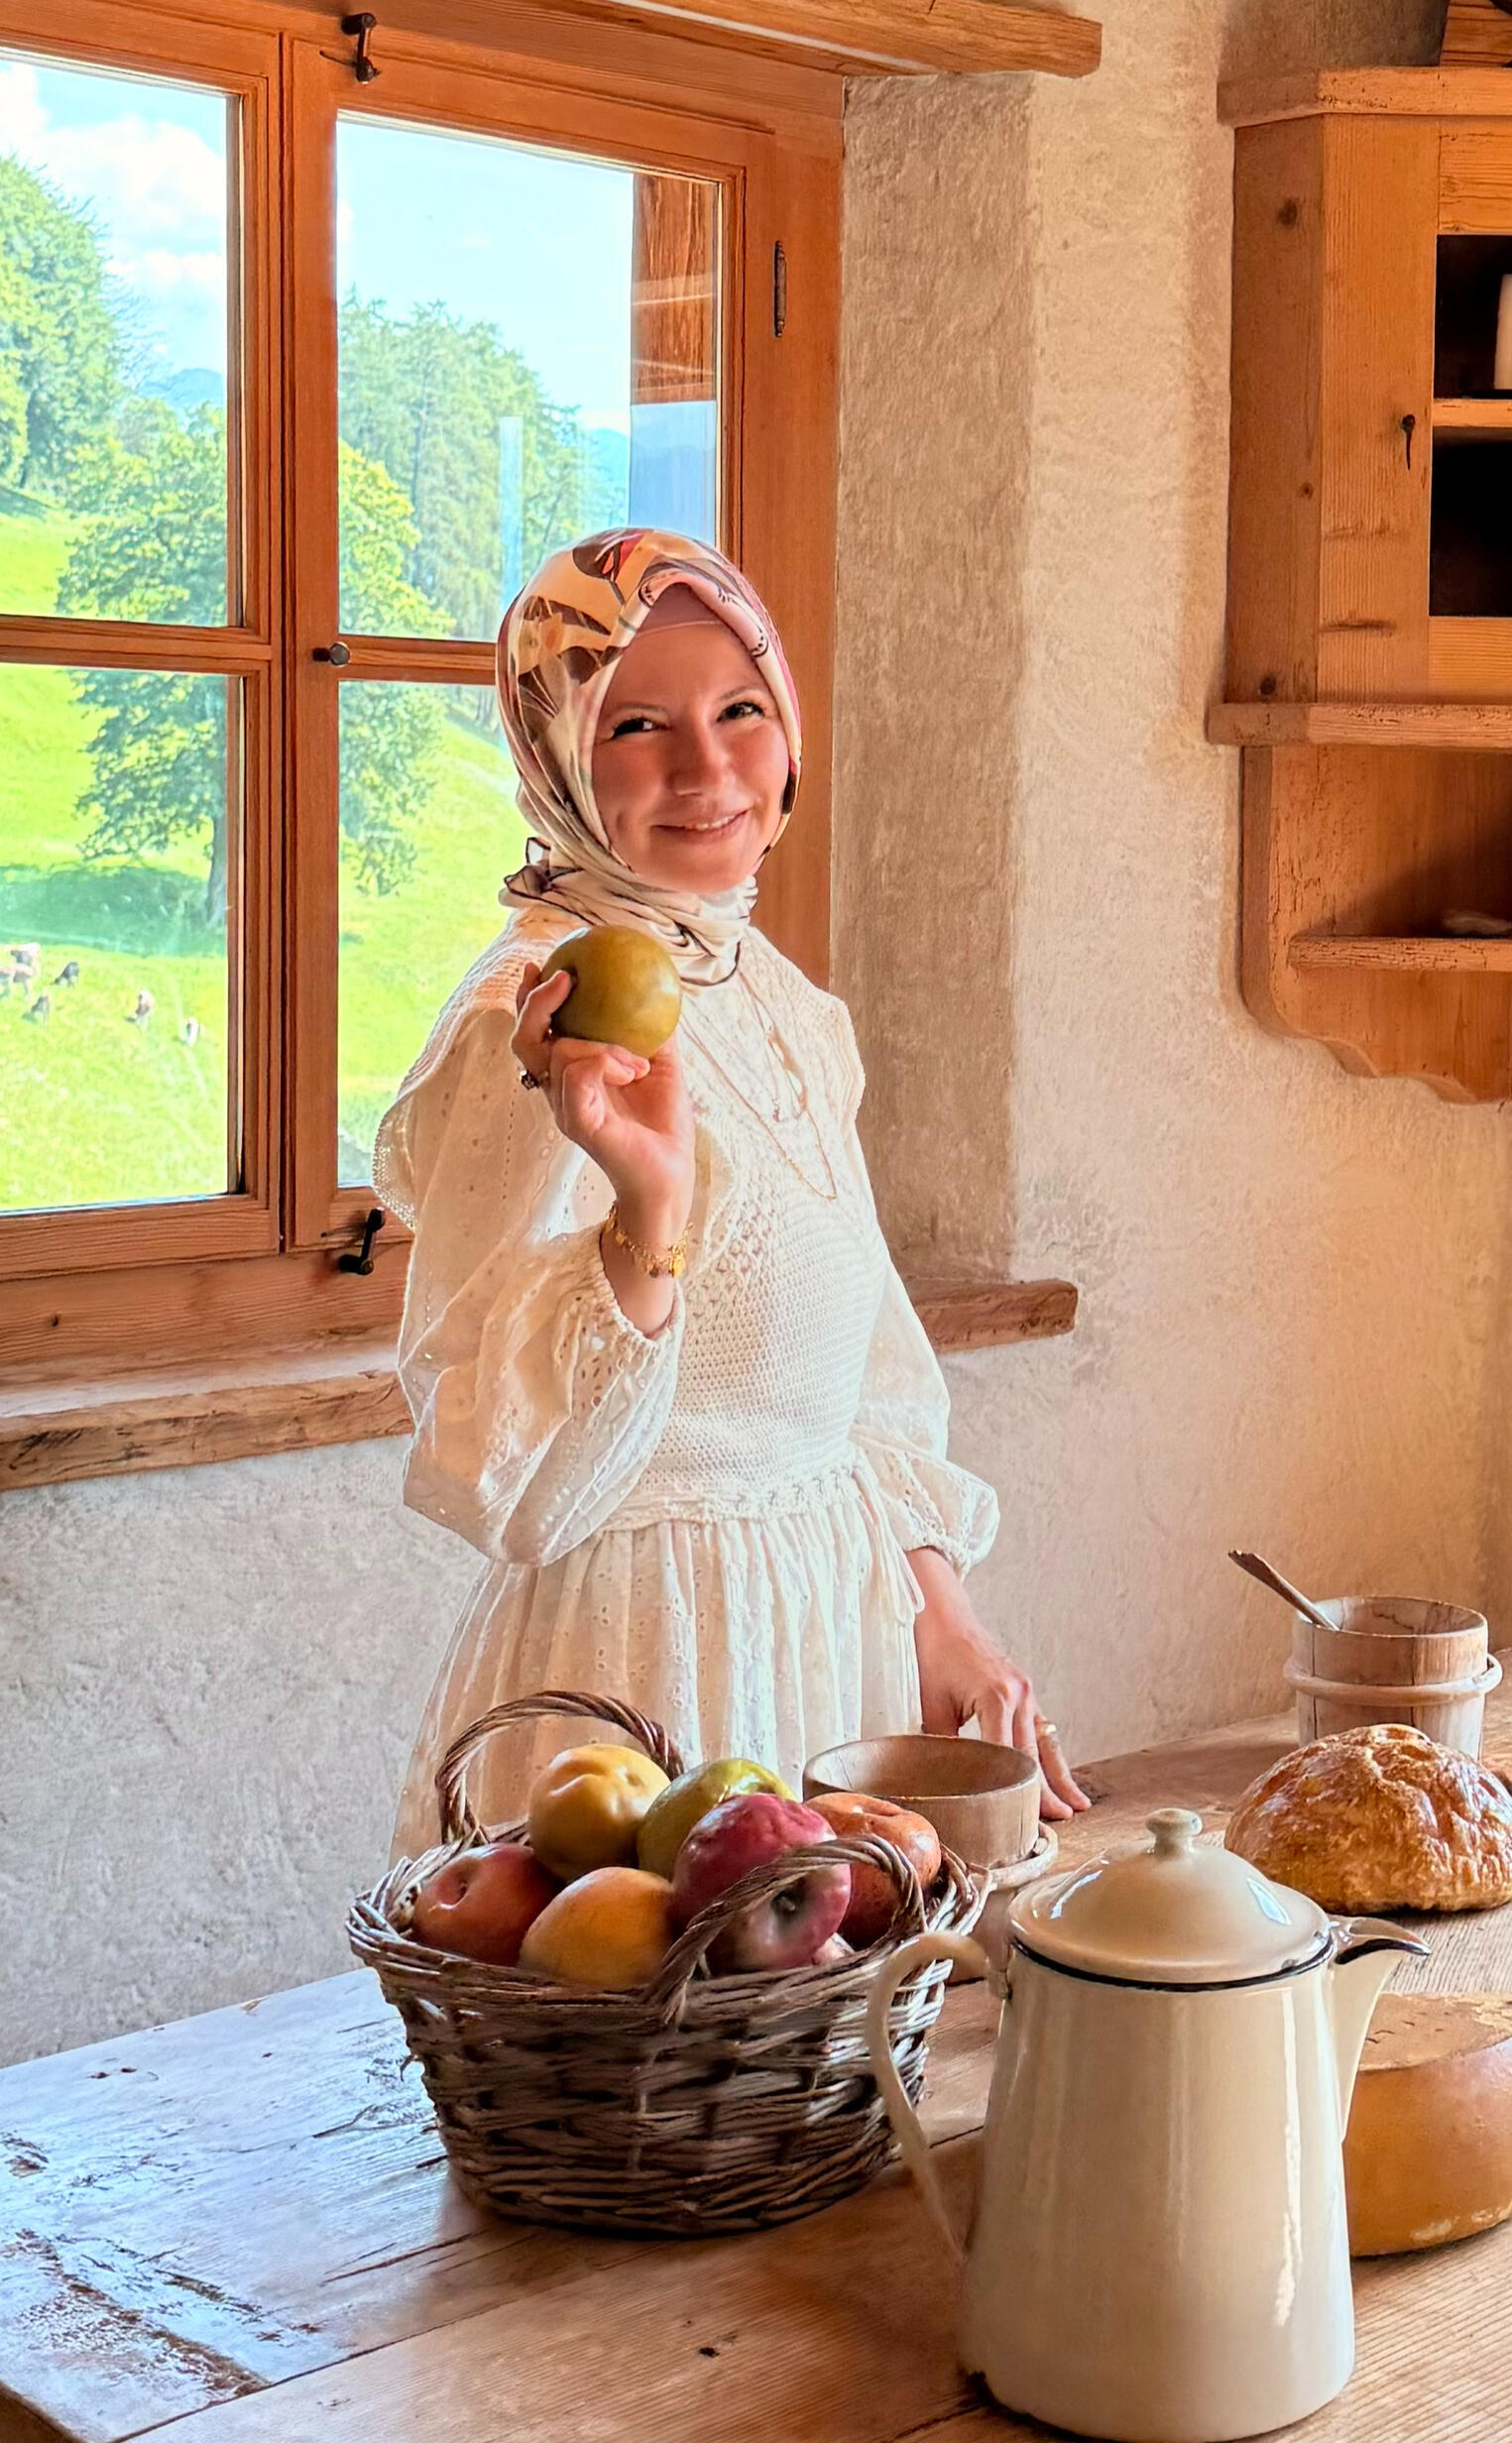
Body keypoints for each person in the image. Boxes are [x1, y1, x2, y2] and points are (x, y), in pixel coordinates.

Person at [377, 528, 1086, 1854]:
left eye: (741, 710)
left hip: (830, 1632)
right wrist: (648, 1215)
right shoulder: (541, 1017)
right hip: (647, 1671)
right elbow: (513, 1485)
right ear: (558, 756)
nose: (707, 771)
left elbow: (862, 1372)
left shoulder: (779, 1000)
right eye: (638, 725)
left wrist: (945, 1621)